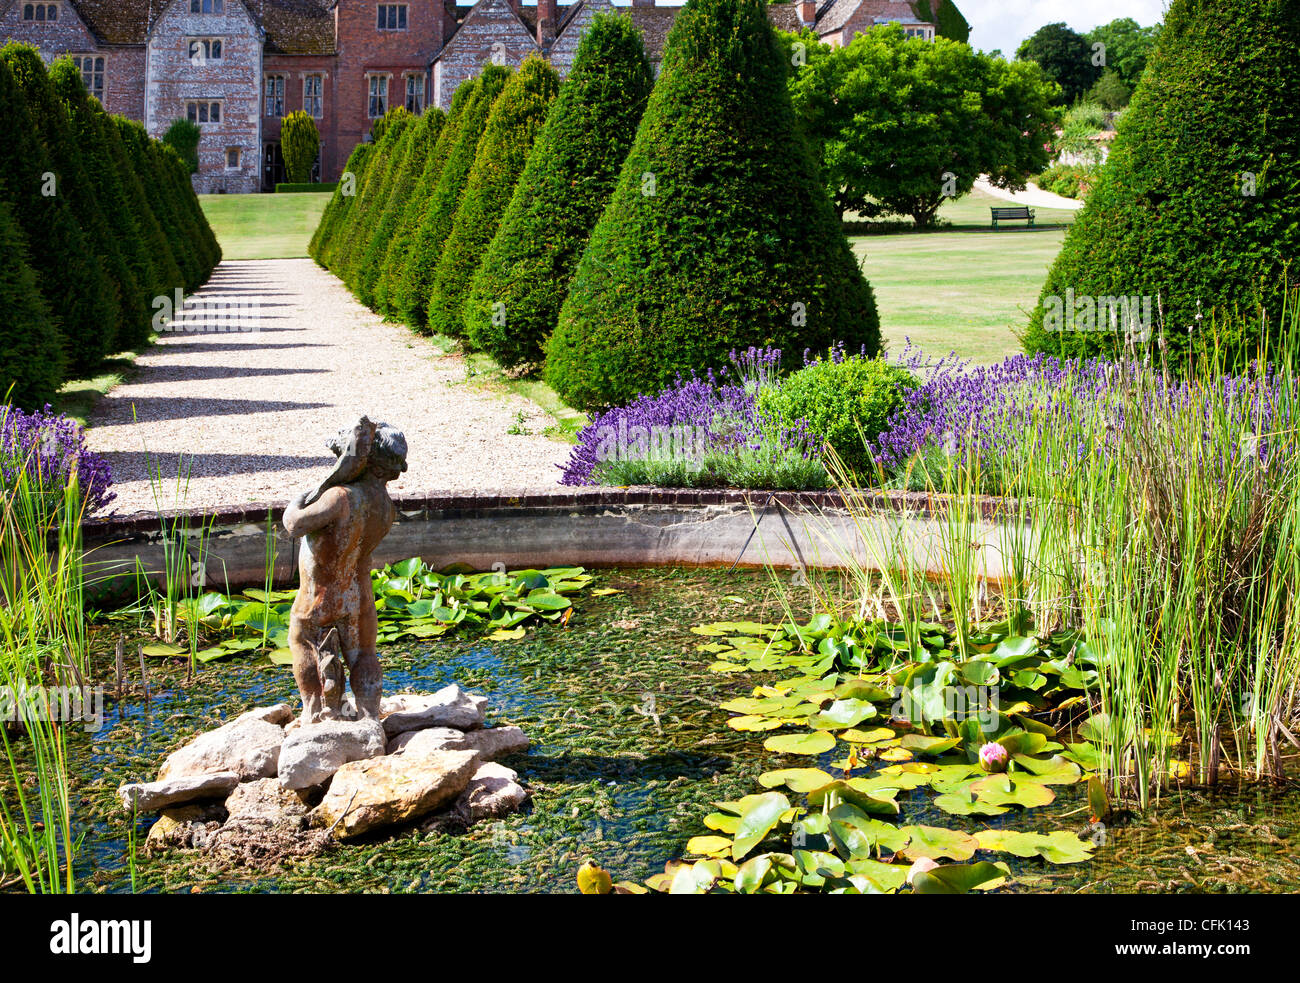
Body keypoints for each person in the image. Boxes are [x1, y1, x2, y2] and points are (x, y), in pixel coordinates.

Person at [282, 418, 407, 723]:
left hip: (320, 594)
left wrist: (297, 500)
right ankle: (368, 716)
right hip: (359, 596)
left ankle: (313, 712)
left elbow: (295, 524)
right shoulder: (385, 506)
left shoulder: (341, 497)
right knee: (363, 653)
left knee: (302, 641)